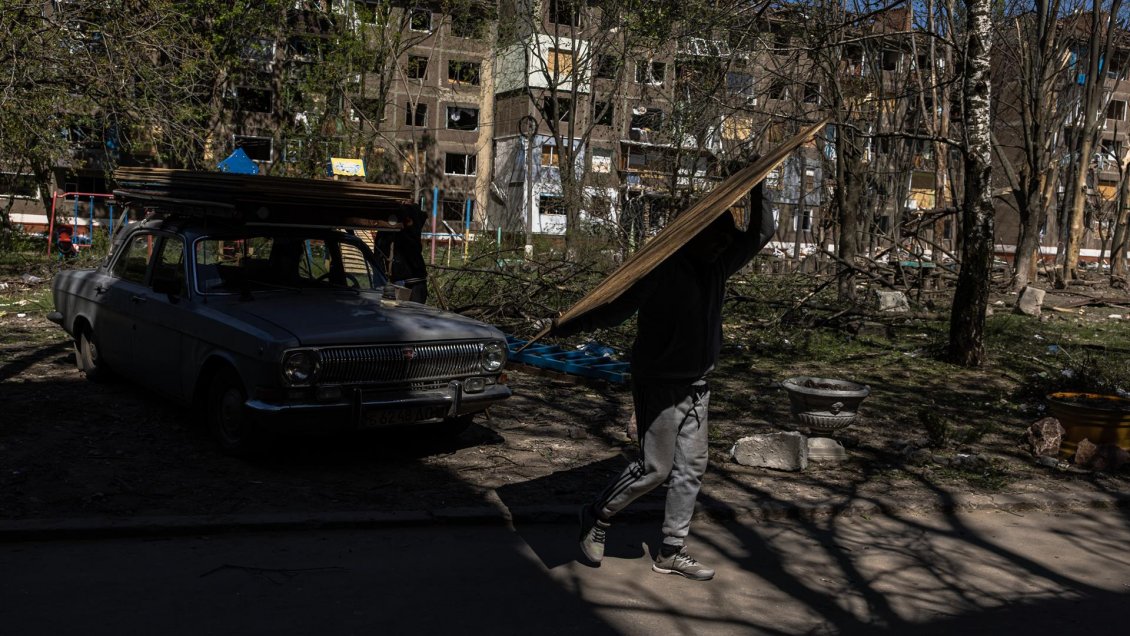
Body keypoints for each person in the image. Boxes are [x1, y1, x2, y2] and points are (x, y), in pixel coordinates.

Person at [550, 180, 775, 581]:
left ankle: (672, 550)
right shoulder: (662, 269)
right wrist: (568, 326)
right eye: (717, 240)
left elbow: (760, 233)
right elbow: (615, 310)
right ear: (696, 235)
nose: (723, 247)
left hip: (697, 384)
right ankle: (597, 516)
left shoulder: (718, 265)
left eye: (727, 242)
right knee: (654, 467)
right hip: (659, 380)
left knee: (691, 468)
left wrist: (758, 186)